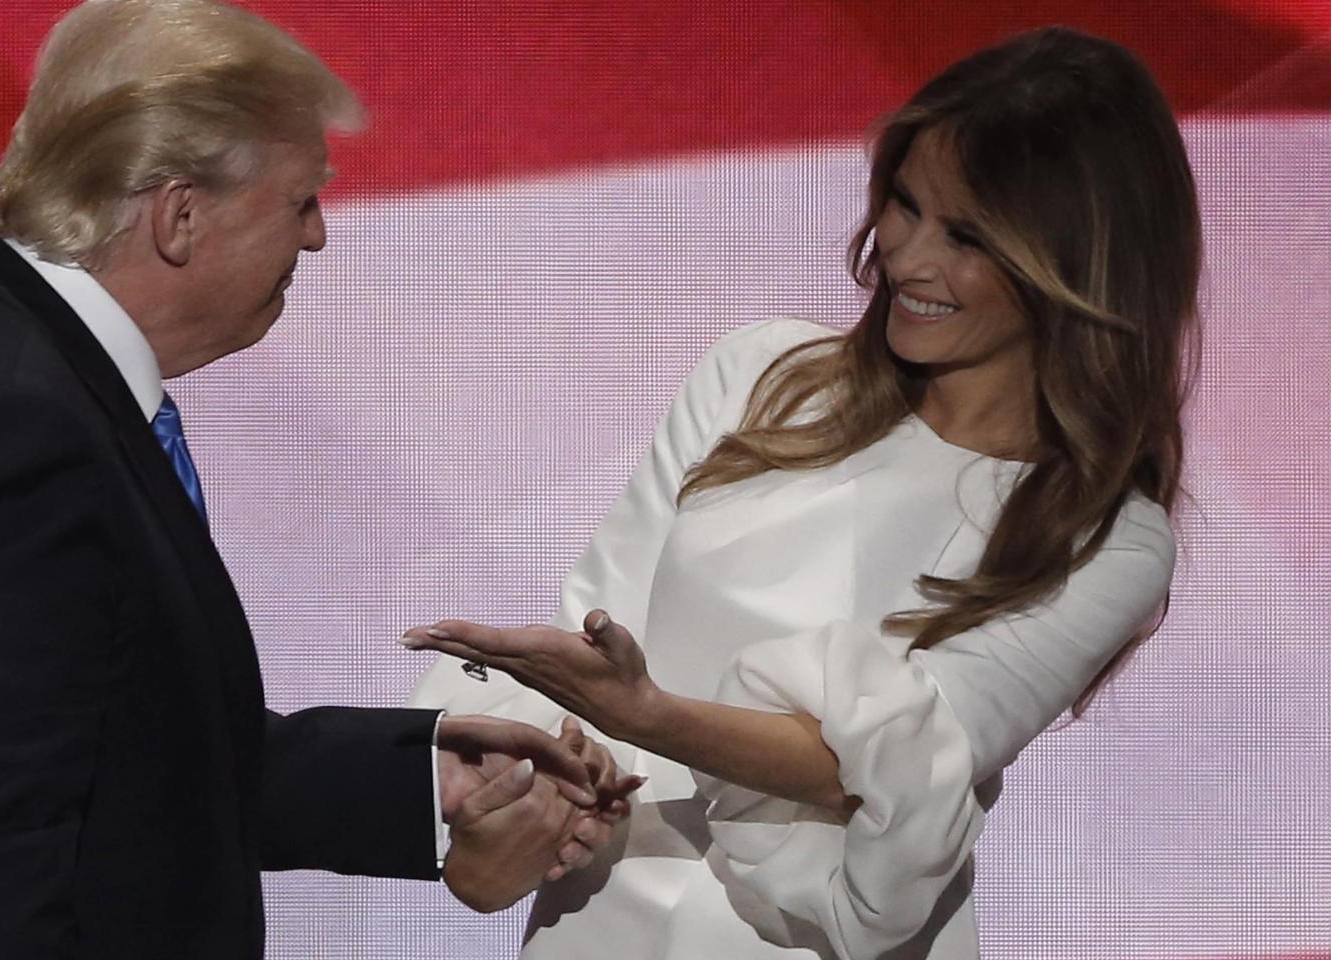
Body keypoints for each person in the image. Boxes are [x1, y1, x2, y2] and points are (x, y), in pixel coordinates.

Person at [0, 2, 636, 957]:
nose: (315, 239)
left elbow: (118, 756)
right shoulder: (15, 429)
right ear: (181, 216)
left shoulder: (15, 369)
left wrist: (422, 782)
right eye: (299, 201)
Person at [405, 26, 1198, 959]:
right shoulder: (765, 373)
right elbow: (596, 631)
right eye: (904, 204)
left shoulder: (1104, 537)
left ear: (1074, 267)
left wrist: (650, 716)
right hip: (598, 921)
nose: (906, 258)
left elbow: (901, 764)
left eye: (968, 236)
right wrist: (518, 805)